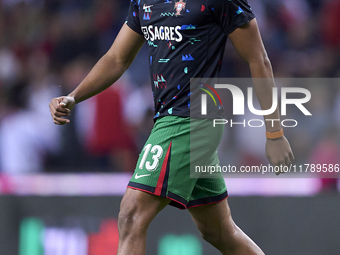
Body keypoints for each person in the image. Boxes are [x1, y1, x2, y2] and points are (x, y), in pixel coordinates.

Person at [49, 0, 294, 254]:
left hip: (192, 119)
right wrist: (74, 96)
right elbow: (116, 58)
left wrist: (274, 133)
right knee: (219, 232)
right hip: (172, 119)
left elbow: (258, 59)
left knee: (131, 214)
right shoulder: (144, 2)